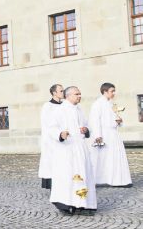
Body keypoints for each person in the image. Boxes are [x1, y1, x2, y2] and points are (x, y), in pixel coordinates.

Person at [49, 86, 97, 215]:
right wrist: (60, 134)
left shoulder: (79, 110)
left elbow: (86, 125)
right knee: (67, 176)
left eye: (80, 94)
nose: (79, 96)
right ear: (68, 96)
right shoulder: (59, 110)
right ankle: (65, 203)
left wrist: (86, 130)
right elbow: (51, 128)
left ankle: (82, 203)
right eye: (77, 94)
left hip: (80, 147)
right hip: (66, 149)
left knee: (83, 174)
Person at [88, 83, 132, 188]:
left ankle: (118, 180)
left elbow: (116, 117)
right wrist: (98, 135)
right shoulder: (97, 104)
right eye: (112, 91)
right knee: (105, 158)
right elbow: (95, 120)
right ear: (105, 91)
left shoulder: (111, 103)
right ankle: (102, 179)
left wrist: (119, 121)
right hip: (105, 134)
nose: (114, 93)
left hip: (114, 134)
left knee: (115, 157)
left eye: (114, 91)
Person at [39, 84, 65, 189]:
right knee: (52, 163)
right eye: (61, 91)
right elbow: (48, 124)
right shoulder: (47, 106)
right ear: (54, 93)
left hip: (63, 137)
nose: (63, 92)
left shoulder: (64, 105)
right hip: (52, 139)